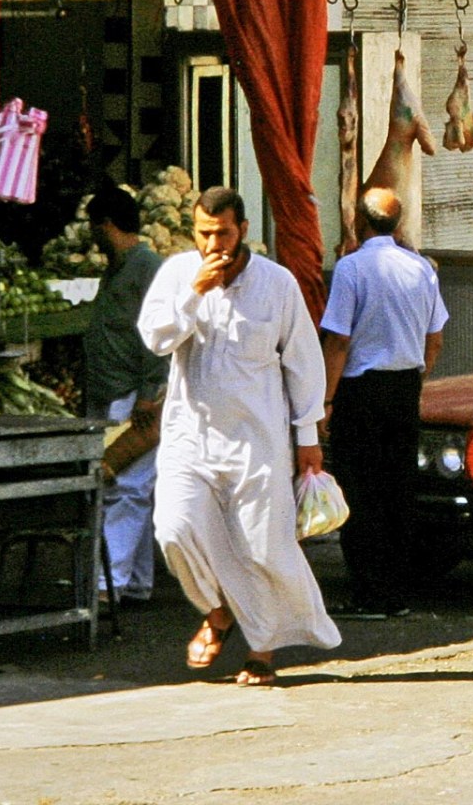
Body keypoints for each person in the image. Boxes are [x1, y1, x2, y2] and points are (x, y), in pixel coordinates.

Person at [138, 186, 340, 687]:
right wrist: (195, 293)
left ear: (243, 230)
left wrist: (308, 436)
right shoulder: (178, 274)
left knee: (262, 548)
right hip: (190, 436)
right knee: (174, 529)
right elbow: (156, 338)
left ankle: (262, 651)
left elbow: (303, 362)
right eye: (204, 233)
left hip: (258, 439)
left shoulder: (277, 283)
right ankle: (217, 609)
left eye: (223, 233)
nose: (213, 244)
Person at [319, 188, 448, 619]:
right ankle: (395, 592)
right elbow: (435, 338)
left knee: (360, 490)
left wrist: (326, 400)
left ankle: (369, 592)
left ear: (360, 221)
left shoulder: (351, 268)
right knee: (397, 489)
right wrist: (416, 377)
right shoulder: (421, 268)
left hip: (361, 389)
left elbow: (338, 340)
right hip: (404, 387)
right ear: (397, 223)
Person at [83, 185, 166, 605]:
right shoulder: (117, 269)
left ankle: (107, 584)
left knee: (125, 486)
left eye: (93, 226)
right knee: (129, 488)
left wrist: (148, 395)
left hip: (134, 394)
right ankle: (134, 583)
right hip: (112, 391)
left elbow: (159, 338)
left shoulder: (147, 267)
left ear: (106, 225)